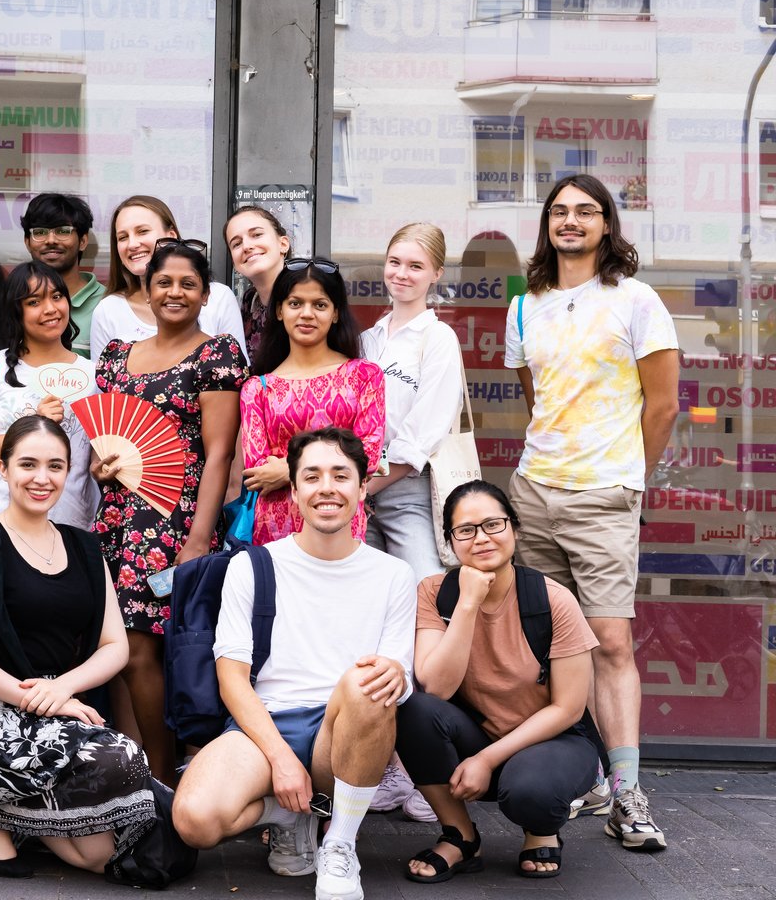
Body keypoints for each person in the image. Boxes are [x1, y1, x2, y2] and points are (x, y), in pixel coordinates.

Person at [504, 173, 678, 850]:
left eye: (586, 211)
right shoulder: (526, 305)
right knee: (549, 648)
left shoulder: (636, 300)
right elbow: (538, 399)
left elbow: (661, 405)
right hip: (534, 492)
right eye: (559, 211)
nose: (570, 221)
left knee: (610, 643)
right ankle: (590, 777)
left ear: (608, 224)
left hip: (604, 495)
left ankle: (629, 794)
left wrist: (629, 479)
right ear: (547, 224)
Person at [172, 427, 416, 900]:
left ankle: (339, 844)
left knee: (370, 680)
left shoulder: (393, 574)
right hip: (265, 724)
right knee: (194, 820)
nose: (327, 487)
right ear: (296, 490)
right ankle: (291, 814)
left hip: (344, 729)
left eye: (341, 475)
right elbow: (232, 679)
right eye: (312, 476)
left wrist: (396, 676)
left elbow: (396, 679)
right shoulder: (253, 565)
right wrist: (281, 760)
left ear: (362, 488)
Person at [0, 417, 155, 878]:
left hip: (58, 704)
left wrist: (63, 690)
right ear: (4, 469)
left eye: (55, 466)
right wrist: (33, 698)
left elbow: (115, 646)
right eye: (27, 464)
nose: (41, 478)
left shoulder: (85, 548)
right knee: (120, 756)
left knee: (94, 856)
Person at [92, 240, 246, 786]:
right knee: (116, 648)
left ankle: (162, 776)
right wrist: (101, 467)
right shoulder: (115, 356)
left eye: (187, 284)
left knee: (144, 650)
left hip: (175, 518)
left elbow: (220, 452)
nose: (174, 292)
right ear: (146, 289)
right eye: (164, 282)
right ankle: (135, 767)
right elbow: (106, 439)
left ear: (206, 294)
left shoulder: (217, 354)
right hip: (116, 518)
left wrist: (199, 538)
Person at [398, 480, 602, 882]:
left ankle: (540, 829)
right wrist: (469, 602)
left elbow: (569, 708)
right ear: (450, 542)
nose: (482, 538)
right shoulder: (434, 593)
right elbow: (436, 688)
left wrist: (487, 760)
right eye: (466, 530)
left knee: (531, 793)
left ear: (515, 529)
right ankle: (460, 837)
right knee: (412, 709)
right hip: (477, 734)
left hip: (553, 741)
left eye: (494, 524)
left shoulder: (553, 599)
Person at [240, 260, 384, 546]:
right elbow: (257, 471)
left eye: (319, 305)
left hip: (339, 519)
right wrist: (329, 462)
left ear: (335, 314)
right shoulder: (257, 388)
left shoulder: (364, 376)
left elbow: (368, 452)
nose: (306, 314)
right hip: (274, 528)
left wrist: (286, 470)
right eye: (295, 303)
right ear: (279, 311)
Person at [0, 260, 98, 531]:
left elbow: (94, 457)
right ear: (15, 311)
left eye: (57, 296)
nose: (50, 309)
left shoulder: (95, 375)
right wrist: (31, 428)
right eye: (34, 302)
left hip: (73, 529)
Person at [359, 222, 464, 580]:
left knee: (426, 590)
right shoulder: (366, 341)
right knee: (363, 598)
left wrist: (367, 487)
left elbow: (424, 431)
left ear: (436, 274)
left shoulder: (438, 338)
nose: (401, 274)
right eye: (395, 262)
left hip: (407, 490)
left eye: (415, 266)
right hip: (355, 487)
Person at [90, 195, 246, 358]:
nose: (132, 244)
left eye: (142, 231)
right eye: (123, 237)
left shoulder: (219, 297)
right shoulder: (108, 310)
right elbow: (101, 382)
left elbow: (237, 373)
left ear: (171, 236)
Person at [20, 192, 104, 357]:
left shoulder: (107, 303)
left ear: (83, 241)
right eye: (40, 232)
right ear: (27, 242)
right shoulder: (14, 299)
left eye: (63, 231)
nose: (51, 240)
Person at [226, 205, 291, 355]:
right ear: (234, 264)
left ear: (283, 244)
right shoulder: (249, 301)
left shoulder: (305, 291)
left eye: (256, 235)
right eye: (236, 244)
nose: (247, 246)